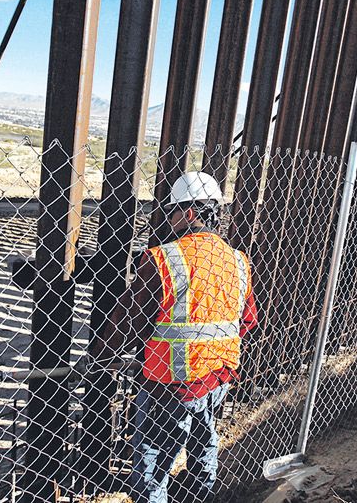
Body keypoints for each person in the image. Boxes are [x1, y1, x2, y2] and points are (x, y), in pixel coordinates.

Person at [91, 171, 258, 503]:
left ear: (190, 214)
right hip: (218, 376)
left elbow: (130, 319)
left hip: (170, 383)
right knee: (204, 439)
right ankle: (201, 495)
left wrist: (101, 357)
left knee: (153, 457)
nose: (168, 218)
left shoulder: (163, 258)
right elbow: (248, 320)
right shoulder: (238, 261)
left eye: (172, 211)